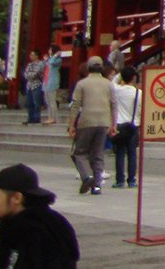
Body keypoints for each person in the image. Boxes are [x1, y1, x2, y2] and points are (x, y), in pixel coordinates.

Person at [67, 57, 114, 195]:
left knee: (80, 152)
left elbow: (75, 105)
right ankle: (97, 185)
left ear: (88, 68)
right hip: (104, 122)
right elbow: (114, 104)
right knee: (98, 154)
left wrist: (71, 125)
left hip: (86, 121)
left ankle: (87, 177)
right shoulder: (108, 84)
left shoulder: (82, 84)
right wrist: (113, 124)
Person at [109, 67, 140, 189]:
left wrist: (119, 75)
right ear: (133, 78)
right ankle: (132, 179)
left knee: (120, 152)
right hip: (133, 124)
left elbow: (112, 83)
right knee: (132, 153)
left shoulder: (117, 90)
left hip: (120, 124)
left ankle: (120, 180)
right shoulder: (139, 93)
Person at [19, 56, 44, 127]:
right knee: (29, 103)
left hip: (37, 84)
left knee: (37, 103)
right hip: (29, 85)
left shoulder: (41, 64)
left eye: (33, 55)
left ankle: (36, 118)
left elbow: (36, 73)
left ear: (36, 56)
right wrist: (29, 75)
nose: (31, 56)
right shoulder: (29, 64)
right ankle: (30, 118)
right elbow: (26, 74)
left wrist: (30, 75)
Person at [41, 52, 61, 126]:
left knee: (52, 102)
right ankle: (50, 117)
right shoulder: (49, 60)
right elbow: (43, 67)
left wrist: (54, 56)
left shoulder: (58, 60)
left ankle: (54, 118)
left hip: (52, 83)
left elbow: (52, 62)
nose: (49, 51)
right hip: (46, 82)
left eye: (50, 49)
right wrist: (45, 60)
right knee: (48, 102)